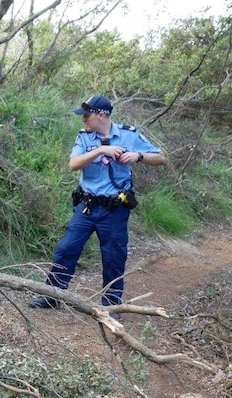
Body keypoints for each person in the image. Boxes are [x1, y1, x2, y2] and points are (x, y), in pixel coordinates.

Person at [30, 95, 166, 320]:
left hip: (115, 209)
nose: (83, 119)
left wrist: (138, 155)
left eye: (86, 115)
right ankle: (52, 296)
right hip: (87, 207)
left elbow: (161, 158)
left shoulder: (129, 134)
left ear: (100, 115)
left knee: (114, 256)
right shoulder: (84, 137)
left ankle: (111, 306)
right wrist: (100, 151)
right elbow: (73, 164)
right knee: (66, 249)